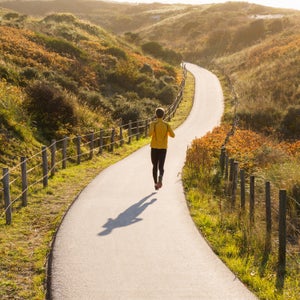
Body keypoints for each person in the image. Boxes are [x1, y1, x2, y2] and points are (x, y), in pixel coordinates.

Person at [149, 107, 175, 190]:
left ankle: (156, 183)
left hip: (154, 147)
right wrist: (166, 133)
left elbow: (149, 134)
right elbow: (173, 135)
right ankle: (160, 177)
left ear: (156, 115)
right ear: (163, 115)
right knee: (161, 166)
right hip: (163, 148)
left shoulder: (153, 124)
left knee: (154, 165)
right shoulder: (167, 125)